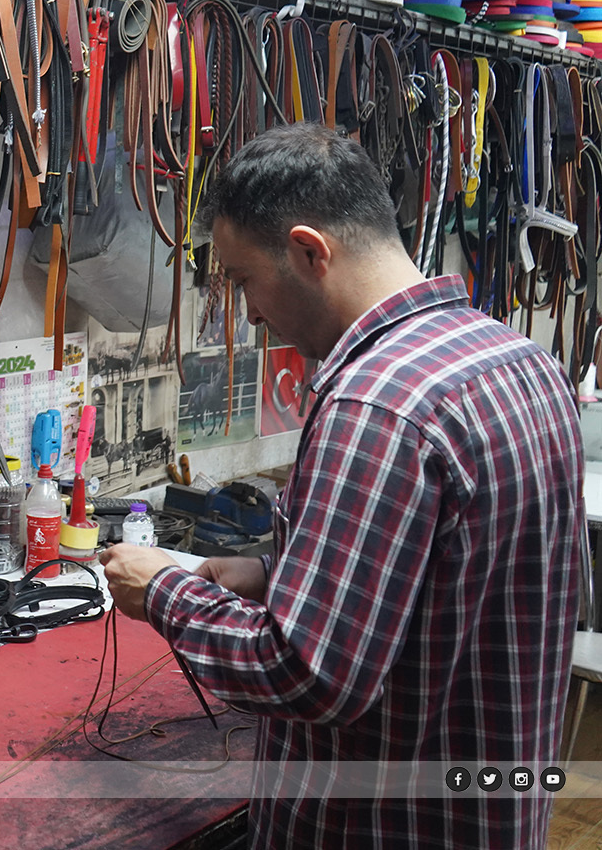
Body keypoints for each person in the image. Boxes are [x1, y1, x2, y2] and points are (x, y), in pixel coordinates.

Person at [99, 122, 585, 848]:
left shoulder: (375, 405)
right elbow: (455, 574)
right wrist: (275, 573)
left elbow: (307, 675)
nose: (249, 312)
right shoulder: (516, 360)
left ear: (308, 251)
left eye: (241, 280)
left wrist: (162, 592)